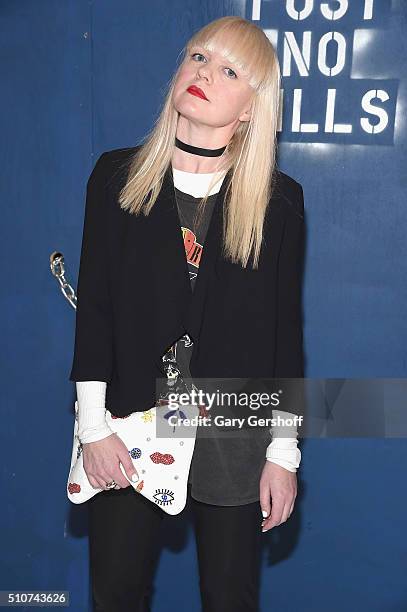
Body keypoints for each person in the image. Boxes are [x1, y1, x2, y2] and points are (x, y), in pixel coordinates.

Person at [69, 15, 306, 612]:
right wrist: (93, 429)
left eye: (228, 70)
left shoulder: (278, 203)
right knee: (116, 593)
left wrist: (283, 453)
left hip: (233, 428)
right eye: (198, 57)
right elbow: (94, 311)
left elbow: (285, 337)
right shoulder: (115, 177)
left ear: (253, 107)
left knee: (230, 597)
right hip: (128, 426)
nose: (204, 73)